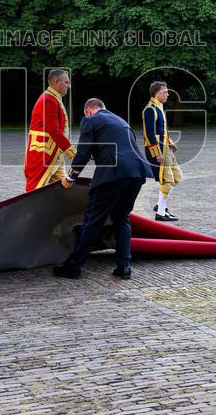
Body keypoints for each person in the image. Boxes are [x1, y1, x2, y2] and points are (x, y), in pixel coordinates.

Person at [53, 98, 150, 280]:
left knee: (93, 220)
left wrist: (71, 177)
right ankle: (124, 266)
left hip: (113, 174)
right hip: (137, 172)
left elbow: (83, 152)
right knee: (122, 218)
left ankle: (74, 267)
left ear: (89, 111)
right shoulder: (120, 120)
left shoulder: (91, 120)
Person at [23, 69, 76, 192]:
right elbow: (53, 130)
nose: (69, 86)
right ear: (57, 82)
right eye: (66, 82)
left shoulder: (53, 98)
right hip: (44, 153)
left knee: (64, 187)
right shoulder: (48, 100)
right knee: (35, 190)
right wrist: (72, 151)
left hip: (53, 153)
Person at [143, 81, 182, 221]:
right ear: (156, 93)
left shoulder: (160, 107)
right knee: (166, 180)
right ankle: (161, 212)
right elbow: (149, 133)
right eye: (164, 92)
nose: (167, 94)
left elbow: (162, 130)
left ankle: (160, 205)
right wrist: (157, 153)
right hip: (157, 150)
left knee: (177, 177)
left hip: (165, 148)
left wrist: (170, 143)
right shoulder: (150, 109)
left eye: (167, 91)